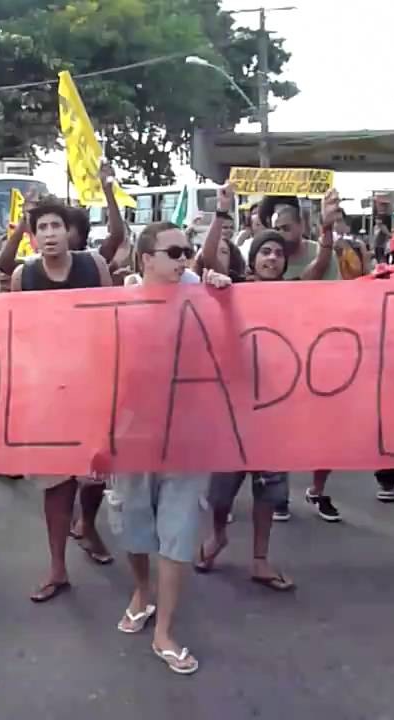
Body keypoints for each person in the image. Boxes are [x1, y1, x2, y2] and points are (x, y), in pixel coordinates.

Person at [107, 221, 232, 676]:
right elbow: (103, 370)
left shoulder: (205, 295)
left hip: (188, 437)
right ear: (146, 260)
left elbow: (233, 348)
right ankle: (142, 591)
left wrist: (225, 297)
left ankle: (165, 630)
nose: (184, 259)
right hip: (134, 434)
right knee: (134, 525)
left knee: (177, 533)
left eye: (188, 251)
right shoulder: (121, 302)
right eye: (174, 252)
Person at [9, 200, 115, 602]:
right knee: (55, 484)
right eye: (42, 228)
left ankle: (87, 525)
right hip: (48, 392)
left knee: (95, 474)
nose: (50, 233)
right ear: (33, 237)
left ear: (68, 231)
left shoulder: (94, 267)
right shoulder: (25, 276)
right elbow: (17, 332)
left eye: (56, 225)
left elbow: (111, 321)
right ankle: (57, 567)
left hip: (93, 387)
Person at [195, 227, 299, 590]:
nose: (272, 258)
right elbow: (208, 259)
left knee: (268, 490)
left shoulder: (298, 296)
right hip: (232, 410)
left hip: (274, 409)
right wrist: (220, 214)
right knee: (220, 492)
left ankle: (259, 559)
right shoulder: (233, 289)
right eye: (265, 252)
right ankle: (218, 535)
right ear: (252, 259)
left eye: (278, 253)